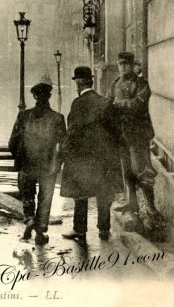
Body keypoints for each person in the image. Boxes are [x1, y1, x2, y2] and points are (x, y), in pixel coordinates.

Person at [61, 66, 123, 242]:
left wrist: (66, 153)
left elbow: (72, 132)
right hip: (104, 157)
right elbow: (116, 131)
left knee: (80, 194)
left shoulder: (78, 104)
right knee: (103, 191)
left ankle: (79, 230)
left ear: (79, 83)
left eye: (76, 82)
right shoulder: (105, 102)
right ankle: (104, 229)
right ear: (91, 81)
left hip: (83, 158)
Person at [9, 76, 66, 245]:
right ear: (49, 97)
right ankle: (40, 232)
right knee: (45, 197)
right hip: (49, 165)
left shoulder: (24, 116)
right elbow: (64, 145)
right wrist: (58, 163)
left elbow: (12, 142)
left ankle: (29, 219)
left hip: (27, 163)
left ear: (34, 97)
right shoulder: (58, 118)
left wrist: (19, 159)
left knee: (27, 194)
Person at [106, 52, 159, 216]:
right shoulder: (115, 83)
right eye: (120, 64)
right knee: (127, 170)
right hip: (122, 134)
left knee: (142, 169)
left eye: (126, 64)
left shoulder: (141, 83)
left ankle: (151, 206)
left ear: (132, 65)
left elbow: (139, 103)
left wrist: (118, 105)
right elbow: (108, 101)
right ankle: (132, 203)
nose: (122, 67)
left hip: (138, 134)